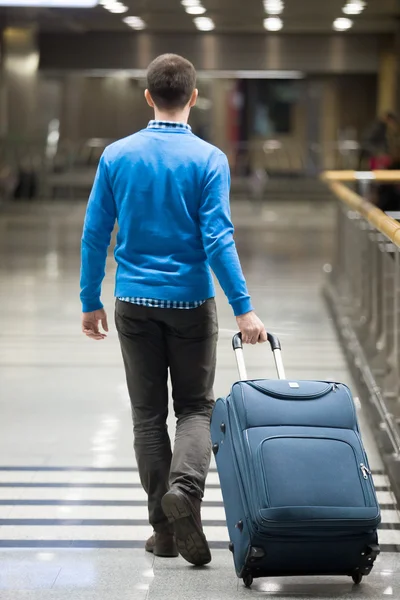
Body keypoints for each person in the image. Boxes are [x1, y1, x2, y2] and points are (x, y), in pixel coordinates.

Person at [80, 53, 266, 567]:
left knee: (147, 417)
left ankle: (163, 533)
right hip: (189, 301)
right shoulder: (208, 159)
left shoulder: (117, 155)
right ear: (193, 97)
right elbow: (218, 239)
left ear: (148, 97)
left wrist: (88, 300)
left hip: (133, 303)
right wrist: (244, 309)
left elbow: (95, 233)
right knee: (196, 408)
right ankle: (185, 490)